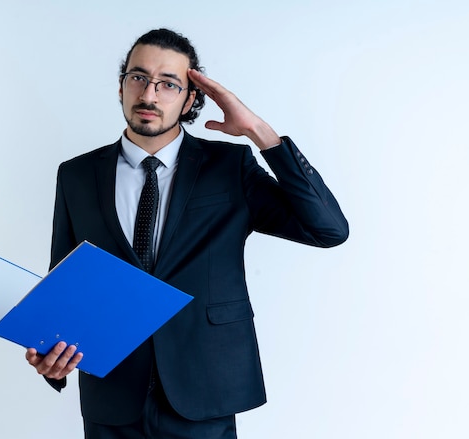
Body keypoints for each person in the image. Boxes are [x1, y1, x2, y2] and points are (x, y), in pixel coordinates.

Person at [26, 28, 348, 438]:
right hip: (113, 397)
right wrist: (51, 356)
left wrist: (259, 132)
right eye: (138, 78)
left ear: (191, 98)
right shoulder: (77, 174)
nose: (149, 95)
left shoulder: (229, 167)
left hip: (206, 390)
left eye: (169, 84)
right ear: (122, 85)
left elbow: (328, 229)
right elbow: (64, 283)